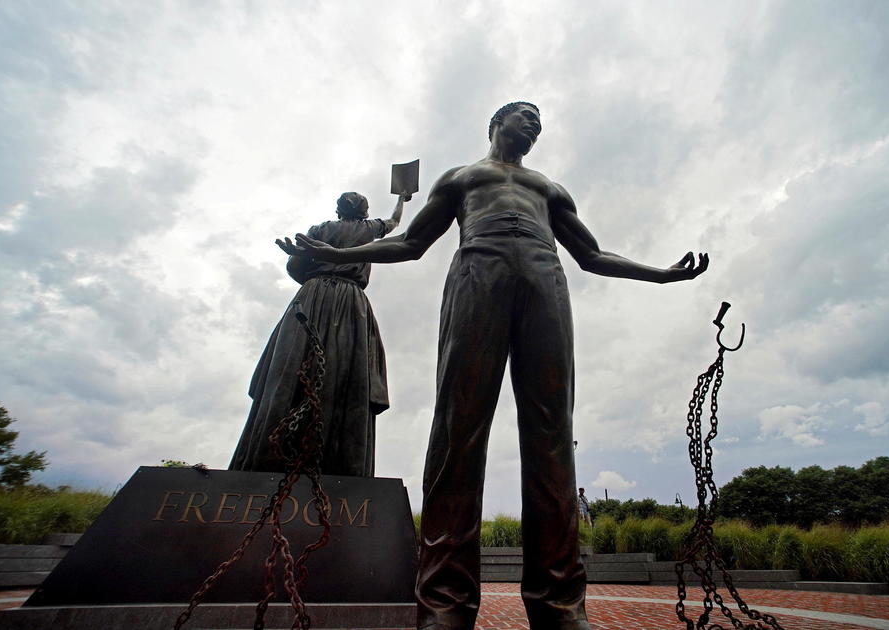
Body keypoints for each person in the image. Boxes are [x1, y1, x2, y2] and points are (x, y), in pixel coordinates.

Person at [281, 102, 707, 630]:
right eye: (524, 115)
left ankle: (559, 605)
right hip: (477, 271)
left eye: (539, 122)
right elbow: (412, 243)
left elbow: (593, 256)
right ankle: (444, 605)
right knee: (459, 429)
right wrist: (340, 253)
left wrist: (661, 275)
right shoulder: (462, 177)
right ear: (496, 123)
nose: (533, 124)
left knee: (552, 434)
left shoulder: (549, 188)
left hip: (544, 279)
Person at [230, 191, 408, 476]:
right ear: (364, 212)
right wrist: (402, 199)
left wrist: (315, 275)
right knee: (344, 371)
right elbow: (395, 222)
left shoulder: (320, 229)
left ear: (339, 211)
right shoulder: (370, 229)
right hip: (351, 301)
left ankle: (265, 458)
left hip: (311, 296)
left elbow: (295, 265)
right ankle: (339, 463)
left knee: (290, 366)